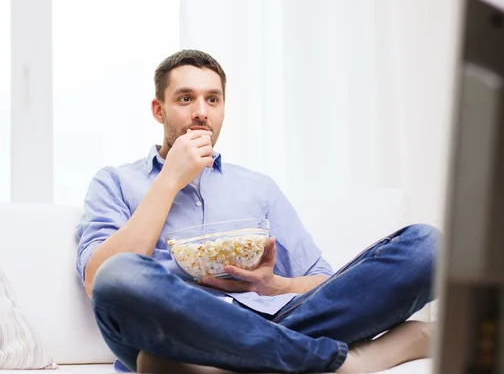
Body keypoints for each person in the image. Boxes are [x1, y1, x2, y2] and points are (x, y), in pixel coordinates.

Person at [76, 49, 438, 373]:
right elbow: (99, 280)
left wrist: (274, 285)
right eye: (185, 98)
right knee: (118, 276)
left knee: (427, 246)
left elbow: (322, 281)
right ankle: (340, 361)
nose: (201, 112)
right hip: (166, 329)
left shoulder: (257, 186)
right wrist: (170, 179)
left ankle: (216, 364)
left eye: (212, 99)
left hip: (274, 320)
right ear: (159, 110)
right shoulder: (116, 182)